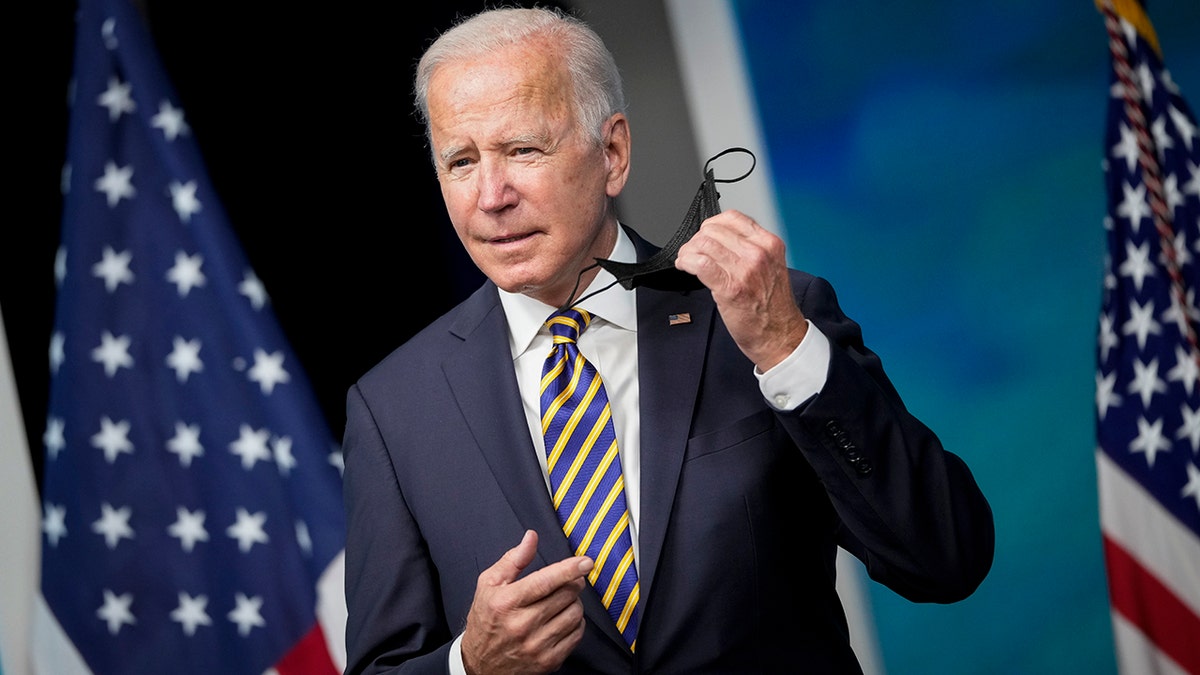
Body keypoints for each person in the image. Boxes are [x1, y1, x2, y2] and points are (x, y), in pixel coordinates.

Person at [340, 6, 994, 674]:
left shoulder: (766, 314)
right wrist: (469, 664)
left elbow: (946, 557)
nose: (491, 195)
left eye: (522, 150)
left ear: (612, 153)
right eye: (461, 161)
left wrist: (785, 349)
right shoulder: (392, 411)